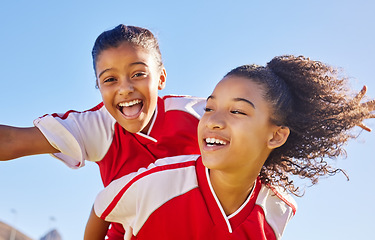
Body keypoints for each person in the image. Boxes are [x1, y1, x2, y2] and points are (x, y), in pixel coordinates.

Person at [91, 55, 374, 240]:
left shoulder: (277, 208)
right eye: (210, 107)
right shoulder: (158, 182)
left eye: (237, 111)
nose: (213, 120)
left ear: (276, 136)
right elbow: (101, 209)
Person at [0, 24, 205, 239]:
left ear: (161, 77)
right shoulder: (98, 127)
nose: (125, 88)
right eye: (110, 79)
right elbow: (11, 141)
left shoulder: (200, 116)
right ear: (98, 85)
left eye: (138, 74)